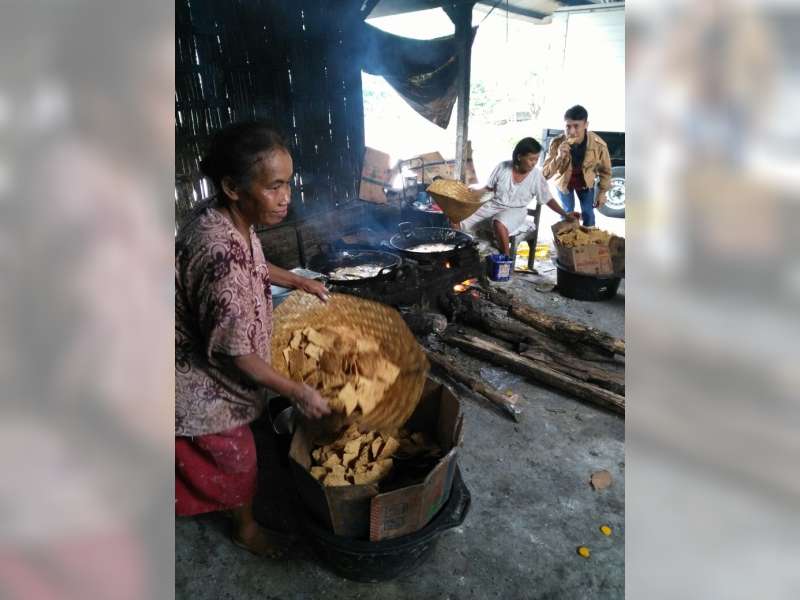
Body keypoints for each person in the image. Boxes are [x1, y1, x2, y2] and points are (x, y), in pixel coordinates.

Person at [175, 121, 331, 558]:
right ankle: (245, 528)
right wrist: (298, 391)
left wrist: (299, 283)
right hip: (196, 378)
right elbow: (234, 353)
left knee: (244, 442)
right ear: (232, 186)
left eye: (288, 184)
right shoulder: (218, 254)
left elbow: (257, 265)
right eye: (274, 187)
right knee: (233, 455)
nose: (286, 197)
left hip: (212, 357)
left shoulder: (233, 218)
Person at [459, 137, 579, 256]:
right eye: (531, 159)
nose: (534, 163)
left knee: (498, 223)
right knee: (457, 219)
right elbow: (488, 189)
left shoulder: (536, 176)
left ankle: (505, 260)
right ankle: (462, 254)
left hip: (516, 210)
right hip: (493, 205)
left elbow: (548, 199)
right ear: (519, 156)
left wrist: (565, 214)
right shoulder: (502, 167)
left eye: (536, 159)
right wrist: (471, 194)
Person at [542, 105, 612, 227]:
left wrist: (602, 193)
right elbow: (544, 175)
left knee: (588, 213)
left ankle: (588, 241)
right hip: (564, 183)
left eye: (576, 126)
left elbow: (605, 171)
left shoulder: (598, 145)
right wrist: (559, 157)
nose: (572, 131)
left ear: (586, 125)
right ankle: (567, 243)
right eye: (568, 126)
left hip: (585, 183)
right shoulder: (557, 143)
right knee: (567, 213)